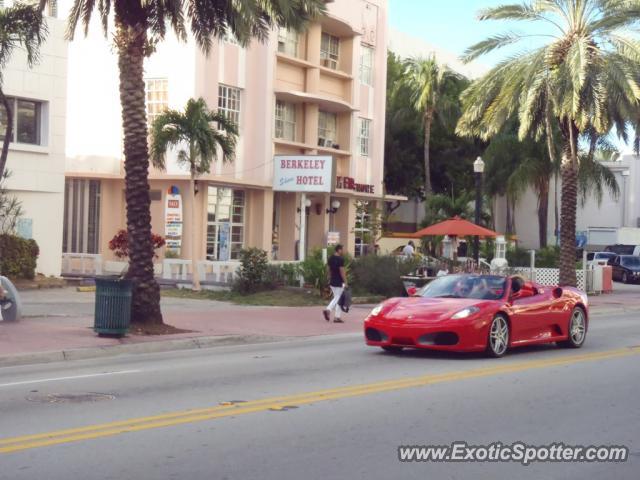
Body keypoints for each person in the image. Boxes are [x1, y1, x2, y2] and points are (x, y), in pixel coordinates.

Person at [324, 244, 348, 323]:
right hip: (339, 281)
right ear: (339, 250)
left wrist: (329, 278)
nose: (343, 251)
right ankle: (328, 309)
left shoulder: (330, 258)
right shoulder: (340, 259)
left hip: (332, 281)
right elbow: (342, 271)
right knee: (338, 297)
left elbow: (328, 269)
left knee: (338, 298)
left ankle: (337, 317)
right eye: (342, 249)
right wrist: (345, 281)